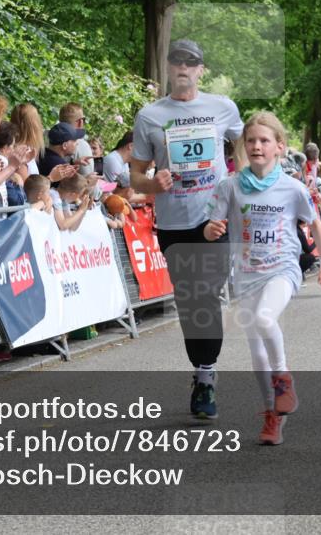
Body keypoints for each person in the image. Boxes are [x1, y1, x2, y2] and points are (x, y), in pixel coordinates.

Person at [130, 38, 243, 420]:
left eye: (190, 62)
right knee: (190, 301)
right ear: (168, 68)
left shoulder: (222, 108)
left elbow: (241, 147)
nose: (183, 68)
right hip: (174, 220)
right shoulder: (150, 115)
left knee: (207, 296)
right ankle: (201, 370)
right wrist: (151, 185)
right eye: (176, 61)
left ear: (200, 70)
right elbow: (135, 175)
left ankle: (207, 377)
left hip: (214, 216)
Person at [204, 111, 321, 445]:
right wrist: (212, 228)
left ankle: (284, 379)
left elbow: (315, 223)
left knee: (264, 318)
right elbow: (211, 225)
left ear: (279, 147)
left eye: (264, 140)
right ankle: (272, 414)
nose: (257, 146)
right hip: (245, 273)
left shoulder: (292, 188)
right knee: (256, 352)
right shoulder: (229, 186)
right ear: (243, 146)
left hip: (282, 268)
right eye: (251, 141)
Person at [59, 102, 94, 175]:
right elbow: (88, 176)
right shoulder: (81, 144)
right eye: (84, 119)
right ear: (80, 122)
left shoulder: (48, 138)